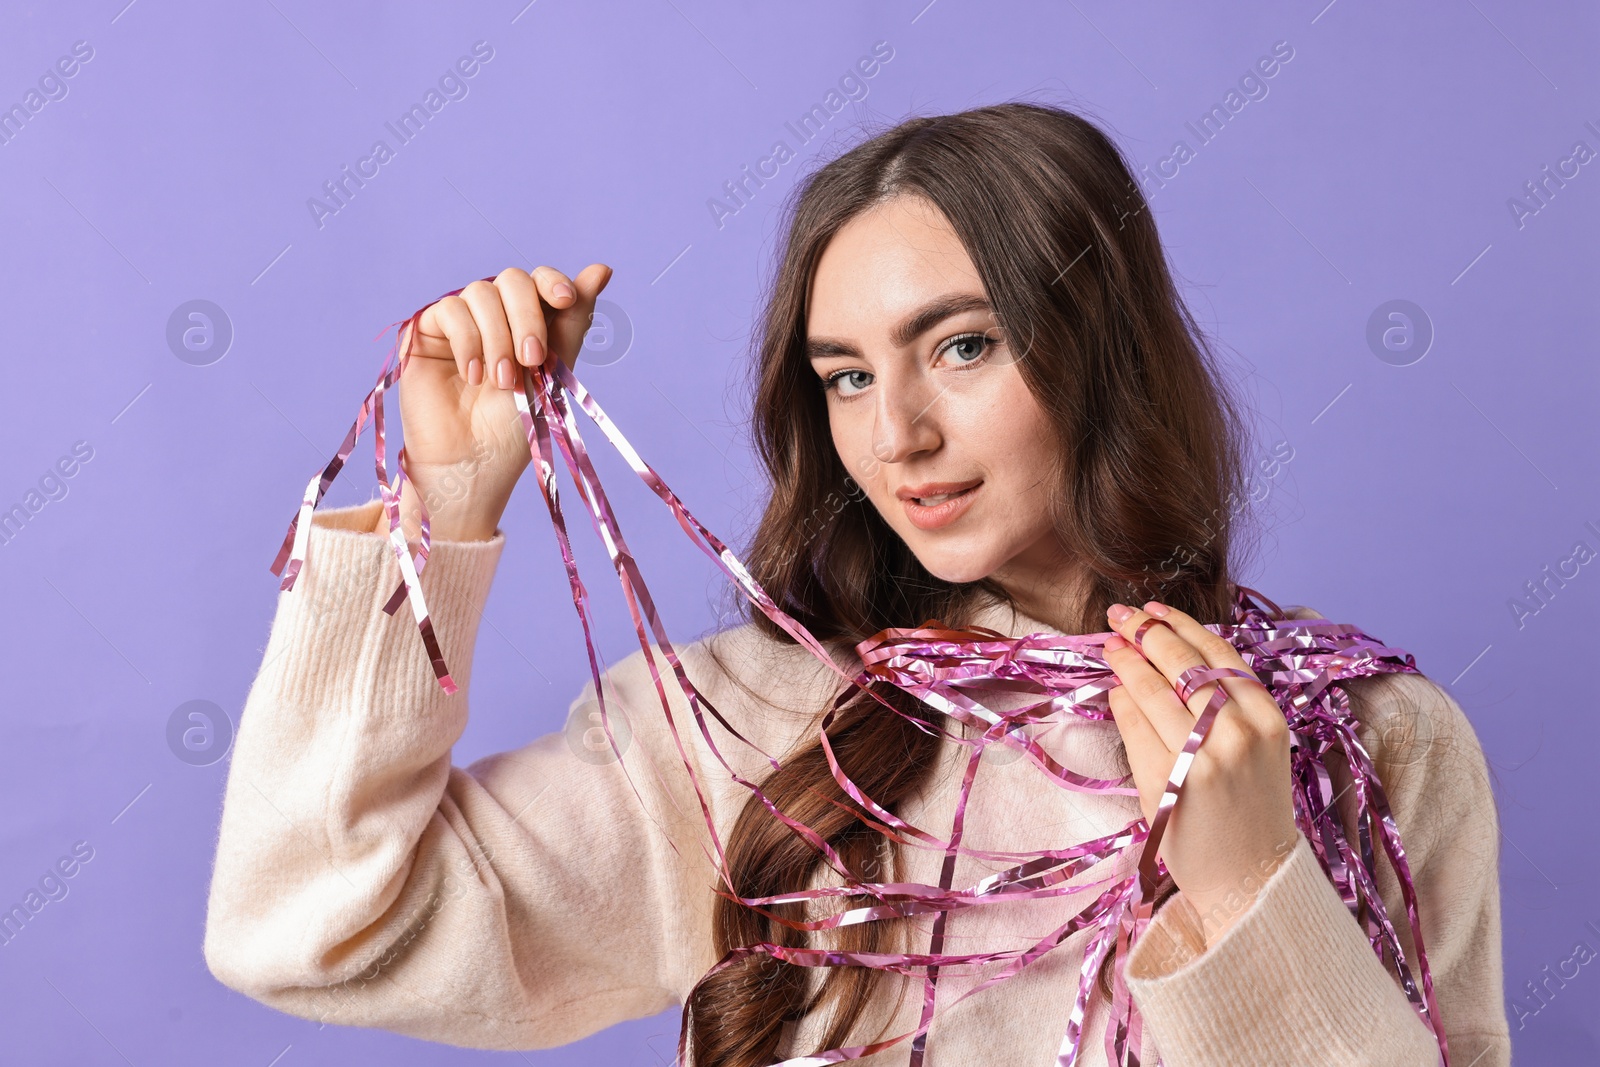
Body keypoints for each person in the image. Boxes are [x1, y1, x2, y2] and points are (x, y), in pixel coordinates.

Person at [203, 102, 1510, 1066]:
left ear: (1104, 355)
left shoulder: (1376, 745)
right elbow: (311, 926)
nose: (896, 435)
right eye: (846, 375)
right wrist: (445, 502)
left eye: (962, 345)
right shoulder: (741, 733)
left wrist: (1250, 891)